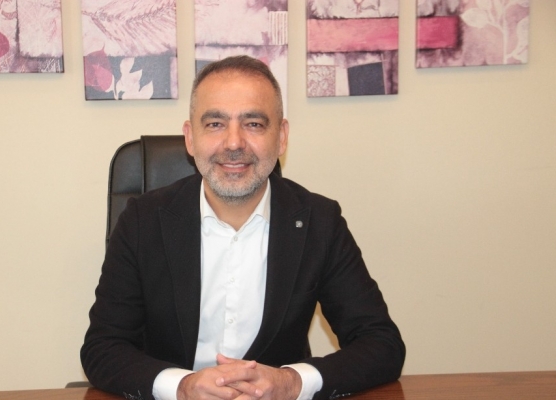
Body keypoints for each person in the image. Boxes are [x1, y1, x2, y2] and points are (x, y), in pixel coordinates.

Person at [81, 55, 405, 400]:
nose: (234, 143)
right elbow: (103, 348)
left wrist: (291, 382)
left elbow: (381, 343)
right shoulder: (142, 221)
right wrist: (181, 387)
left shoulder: (319, 221)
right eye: (215, 124)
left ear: (281, 137)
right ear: (190, 138)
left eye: (253, 124)